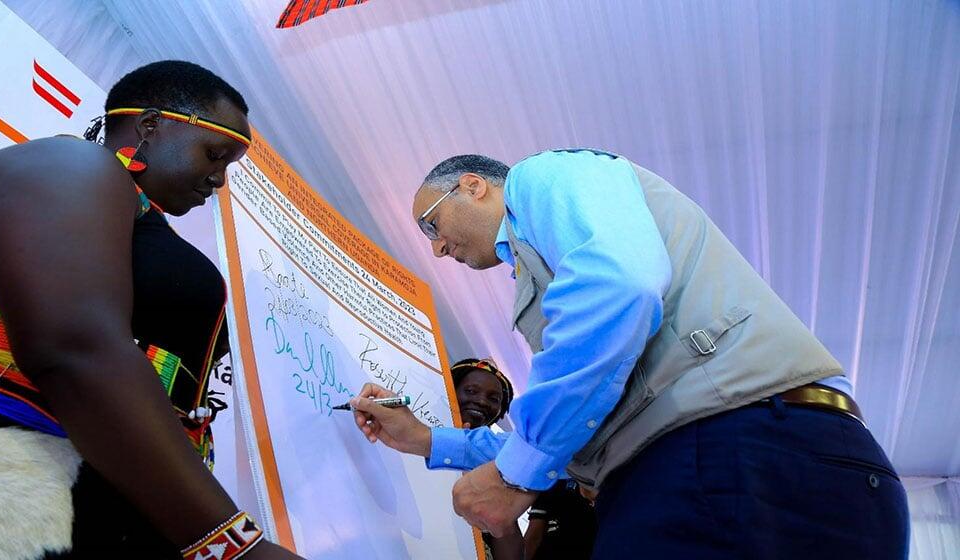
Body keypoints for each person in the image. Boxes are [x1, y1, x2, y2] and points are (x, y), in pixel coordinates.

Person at [351, 149, 909, 559]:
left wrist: (514, 475)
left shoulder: (543, 178)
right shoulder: (541, 259)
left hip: (723, 458)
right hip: (780, 460)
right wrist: (428, 440)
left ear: (474, 186)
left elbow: (620, 287)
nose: (437, 248)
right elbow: (582, 423)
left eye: (432, 224)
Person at [0, 61, 302, 560]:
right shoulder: (71, 164)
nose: (220, 179)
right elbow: (74, 349)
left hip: (91, 504)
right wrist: (233, 548)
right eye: (215, 154)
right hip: (2, 494)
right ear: (149, 125)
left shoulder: (131, 219)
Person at [450, 358, 597, 560]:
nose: (482, 401)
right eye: (471, 391)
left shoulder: (503, 466)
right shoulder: (413, 434)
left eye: (494, 398)